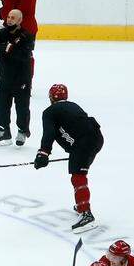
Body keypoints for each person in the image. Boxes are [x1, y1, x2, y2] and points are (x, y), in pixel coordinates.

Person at [34, 84, 103, 233]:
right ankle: (81, 206)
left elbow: (49, 133)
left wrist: (43, 154)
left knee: (78, 176)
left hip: (83, 143)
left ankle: (85, 213)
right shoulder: (73, 105)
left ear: (51, 98)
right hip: (97, 138)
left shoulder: (49, 112)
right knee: (79, 171)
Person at [0, 9, 34, 146]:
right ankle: (3, 132)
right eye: (8, 17)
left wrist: (7, 48)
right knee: (1, 105)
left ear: (20, 20)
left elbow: (22, 55)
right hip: (4, 77)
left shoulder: (27, 36)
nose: (9, 19)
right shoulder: (2, 33)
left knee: (22, 106)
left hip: (21, 79)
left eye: (13, 18)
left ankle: (22, 130)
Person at [0, 0, 38, 76]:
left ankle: (14, 84)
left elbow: (6, 14)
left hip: (17, 29)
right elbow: (24, 1)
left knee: (12, 56)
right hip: (31, 27)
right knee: (28, 54)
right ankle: (27, 83)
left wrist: (3, 0)